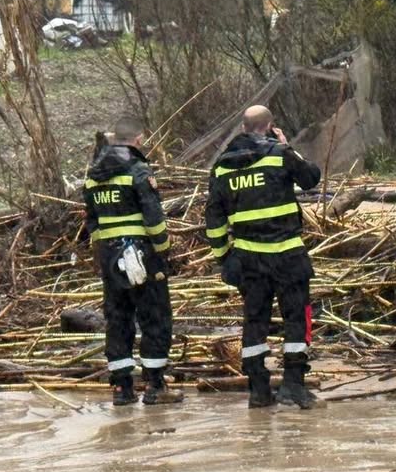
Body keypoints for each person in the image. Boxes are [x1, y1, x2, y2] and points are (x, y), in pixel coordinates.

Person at [205, 106, 322, 409]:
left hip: (248, 259)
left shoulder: (222, 167)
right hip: (287, 255)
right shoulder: (280, 153)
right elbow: (310, 177)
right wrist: (287, 145)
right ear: (269, 126)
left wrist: (223, 257)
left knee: (254, 322)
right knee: (297, 319)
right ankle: (293, 387)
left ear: (243, 128)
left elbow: (215, 220)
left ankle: (258, 390)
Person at [83, 116, 182, 407]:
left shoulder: (93, 176)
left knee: (118, 319)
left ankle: (122, 389)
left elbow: (93, 223)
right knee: (154, 316)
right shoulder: (138, 171)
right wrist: (163, 252)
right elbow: (153, 218)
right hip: (142, 255)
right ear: (138, 140)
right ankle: (155, 385)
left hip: (111, 258)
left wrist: (103, 255)